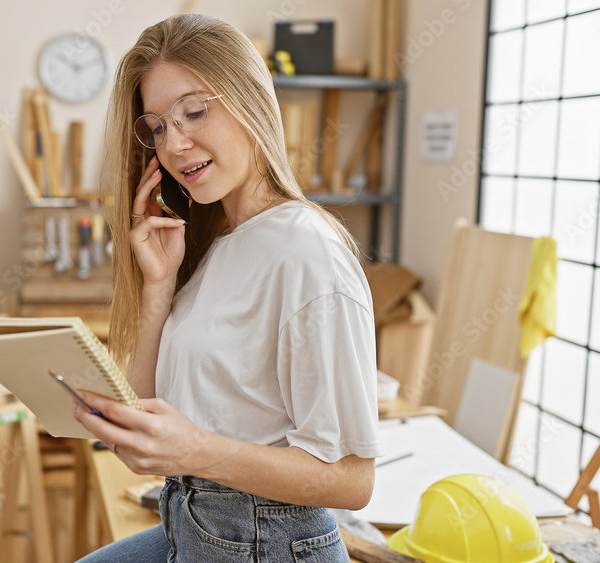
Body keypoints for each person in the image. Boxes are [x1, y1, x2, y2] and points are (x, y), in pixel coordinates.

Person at [73, 13, 381, 562]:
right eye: (158, 127)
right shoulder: (217, 243)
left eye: (194, 111)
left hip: (267, 542)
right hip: (190, 521)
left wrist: (196, 450)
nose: (176, 143)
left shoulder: (306, 251)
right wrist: (158, 289)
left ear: (251, 102)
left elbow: (353, 480)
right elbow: (147, 409)